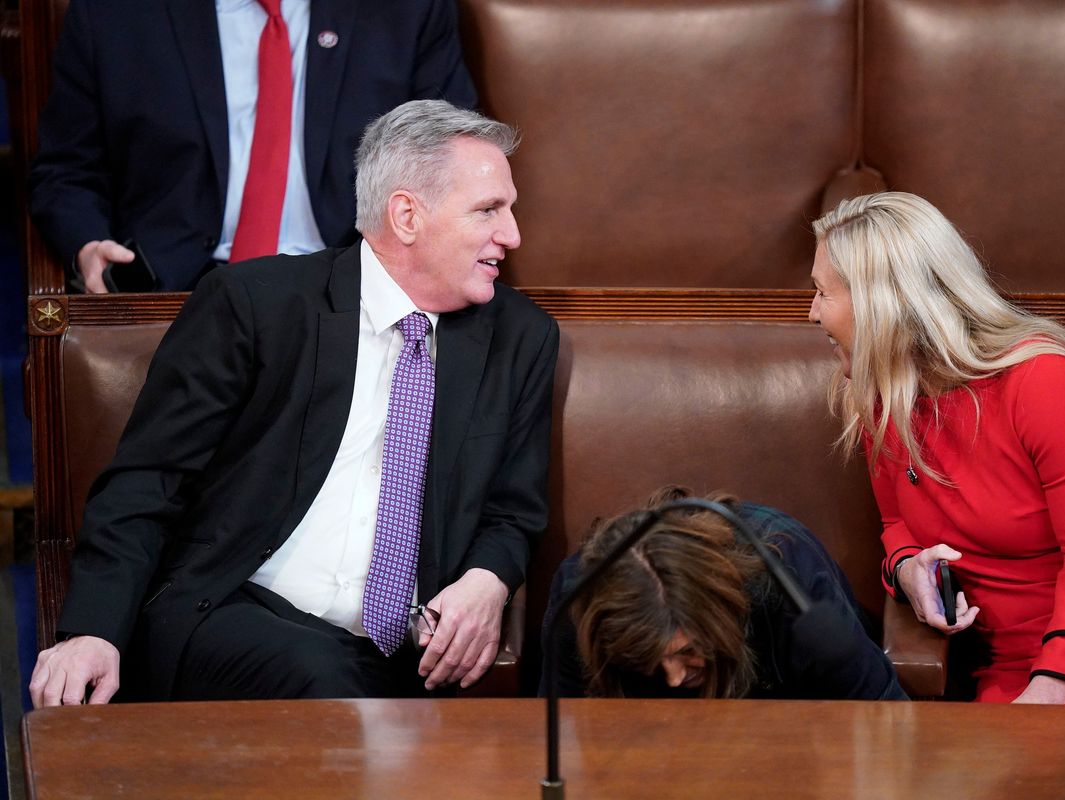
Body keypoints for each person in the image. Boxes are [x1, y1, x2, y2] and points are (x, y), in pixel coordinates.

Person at [29, 100, 559, 706]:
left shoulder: (520, 338)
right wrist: (93, 630)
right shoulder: (256, 305)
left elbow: (515, 511)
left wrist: (487, 582)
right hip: (235, 608)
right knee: (323, 682)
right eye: (489, 210)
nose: (512, 235)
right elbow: (148, 481)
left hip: (408, 653)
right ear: (407, 215)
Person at [808, 191, 1065, 706]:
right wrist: (907, 569)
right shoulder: (885, 398)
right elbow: (896, 524)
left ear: (885, 300)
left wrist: (1048, 689)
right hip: (1013, 668)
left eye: (821, 293)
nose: (812, 314)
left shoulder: (1045, 382)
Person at [29, 0, 477, 292]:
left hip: (356, 283)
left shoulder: (407, 11)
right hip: (178, 290)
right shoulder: (113, 14)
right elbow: (66, 171)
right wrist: (89, 246)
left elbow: (450, 161)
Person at [540, 486, 907, 700]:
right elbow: (572, 731)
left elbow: (882, 714)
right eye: (647, 658)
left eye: (688, 651)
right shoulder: (582, 597)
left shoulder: (789, 576)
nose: (674, 678)